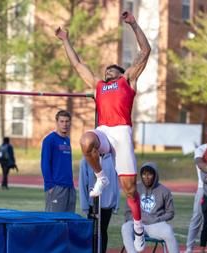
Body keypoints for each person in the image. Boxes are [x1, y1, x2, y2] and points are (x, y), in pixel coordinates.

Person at [55, 10, 151, 251]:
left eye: (112, 70)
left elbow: (145, 52)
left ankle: (139, 228)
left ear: (120, 73)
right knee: (86, 140)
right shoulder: (98, 86)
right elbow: (77, 65)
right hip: (105, 132)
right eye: (106, 70)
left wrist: (133, 24)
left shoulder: (127, 80)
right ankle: (101, 176)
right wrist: (65, 39)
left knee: (130, 190)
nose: (108, 71)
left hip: (122, 134)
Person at [121, 162, 179, 253]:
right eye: (144, 174)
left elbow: (170, 213)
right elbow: (128, 212)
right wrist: (137, 220)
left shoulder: (164, 191)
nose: (146, 177)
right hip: (138, 224)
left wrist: (158, 219)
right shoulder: (135, 189)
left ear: (155, 175)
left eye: (149, 174)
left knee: (168, 230)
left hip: (155, 225)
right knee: (125, 227)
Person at [79, 153, 119, 253]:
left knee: (103, 231)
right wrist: (85, 204)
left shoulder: (112, 159)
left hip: (107, 204)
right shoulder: (86, 159)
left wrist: (116, 203)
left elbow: (115, 182)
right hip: (93, 204)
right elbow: (83, 182)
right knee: (93, 232)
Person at [41, 110, 76, 212]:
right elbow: (45, 164)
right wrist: (50, 185)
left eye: (67, 121)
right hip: (56, 187)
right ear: (57, 122)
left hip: (69, 186)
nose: (64, 124)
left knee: (68, 221)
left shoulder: (67, 140)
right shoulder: (49, 140)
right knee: (54, 222)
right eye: (62, 121)